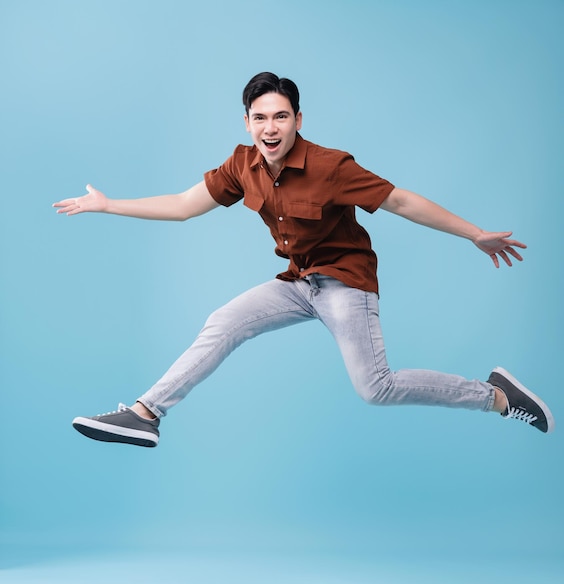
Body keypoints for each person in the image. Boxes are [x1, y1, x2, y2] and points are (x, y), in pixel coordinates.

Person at [54, 71, 554, 447]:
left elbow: (400, 200)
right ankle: (146, 414)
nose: (270, 128)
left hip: (345, 284)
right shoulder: (241, 164)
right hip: (296, 283)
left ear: (297, 119)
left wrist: (473, 234)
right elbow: (185, 206)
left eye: (281, 116)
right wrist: (107, 204)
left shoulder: (331, 166)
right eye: (260, 117)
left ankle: (497, 397)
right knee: (223, 323)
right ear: (246, 121)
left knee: (375, 388)